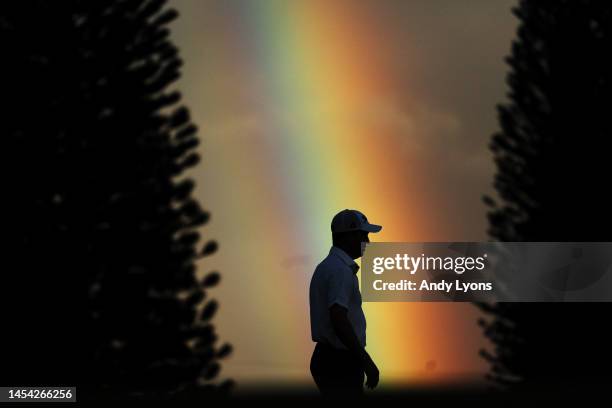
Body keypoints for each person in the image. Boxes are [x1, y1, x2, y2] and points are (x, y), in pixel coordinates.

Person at [309, 209, 381, 397]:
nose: (368, 241)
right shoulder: (340, 271)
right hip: (339, 362)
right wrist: (366, 361)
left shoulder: (328, 267)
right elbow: (338, 317)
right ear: (348, 237)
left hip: (330, 359)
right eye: (363, 234)